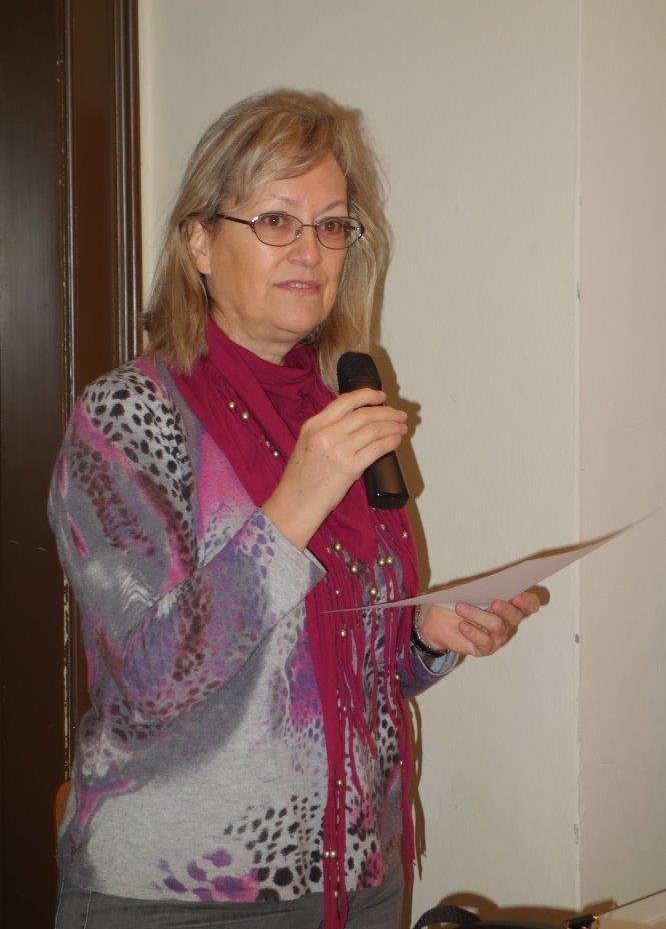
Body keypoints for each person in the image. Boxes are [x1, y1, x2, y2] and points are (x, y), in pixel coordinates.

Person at [50, 89, 539, 929]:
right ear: (200, 242)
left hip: (358, 875)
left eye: (332, 224)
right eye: (276, 220)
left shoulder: (341, 404)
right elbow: (151, 681)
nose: (310, 250)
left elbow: (347, 663)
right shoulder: (128, 414)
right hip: (182, 894)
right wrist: (294, 506)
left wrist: (426, 637)